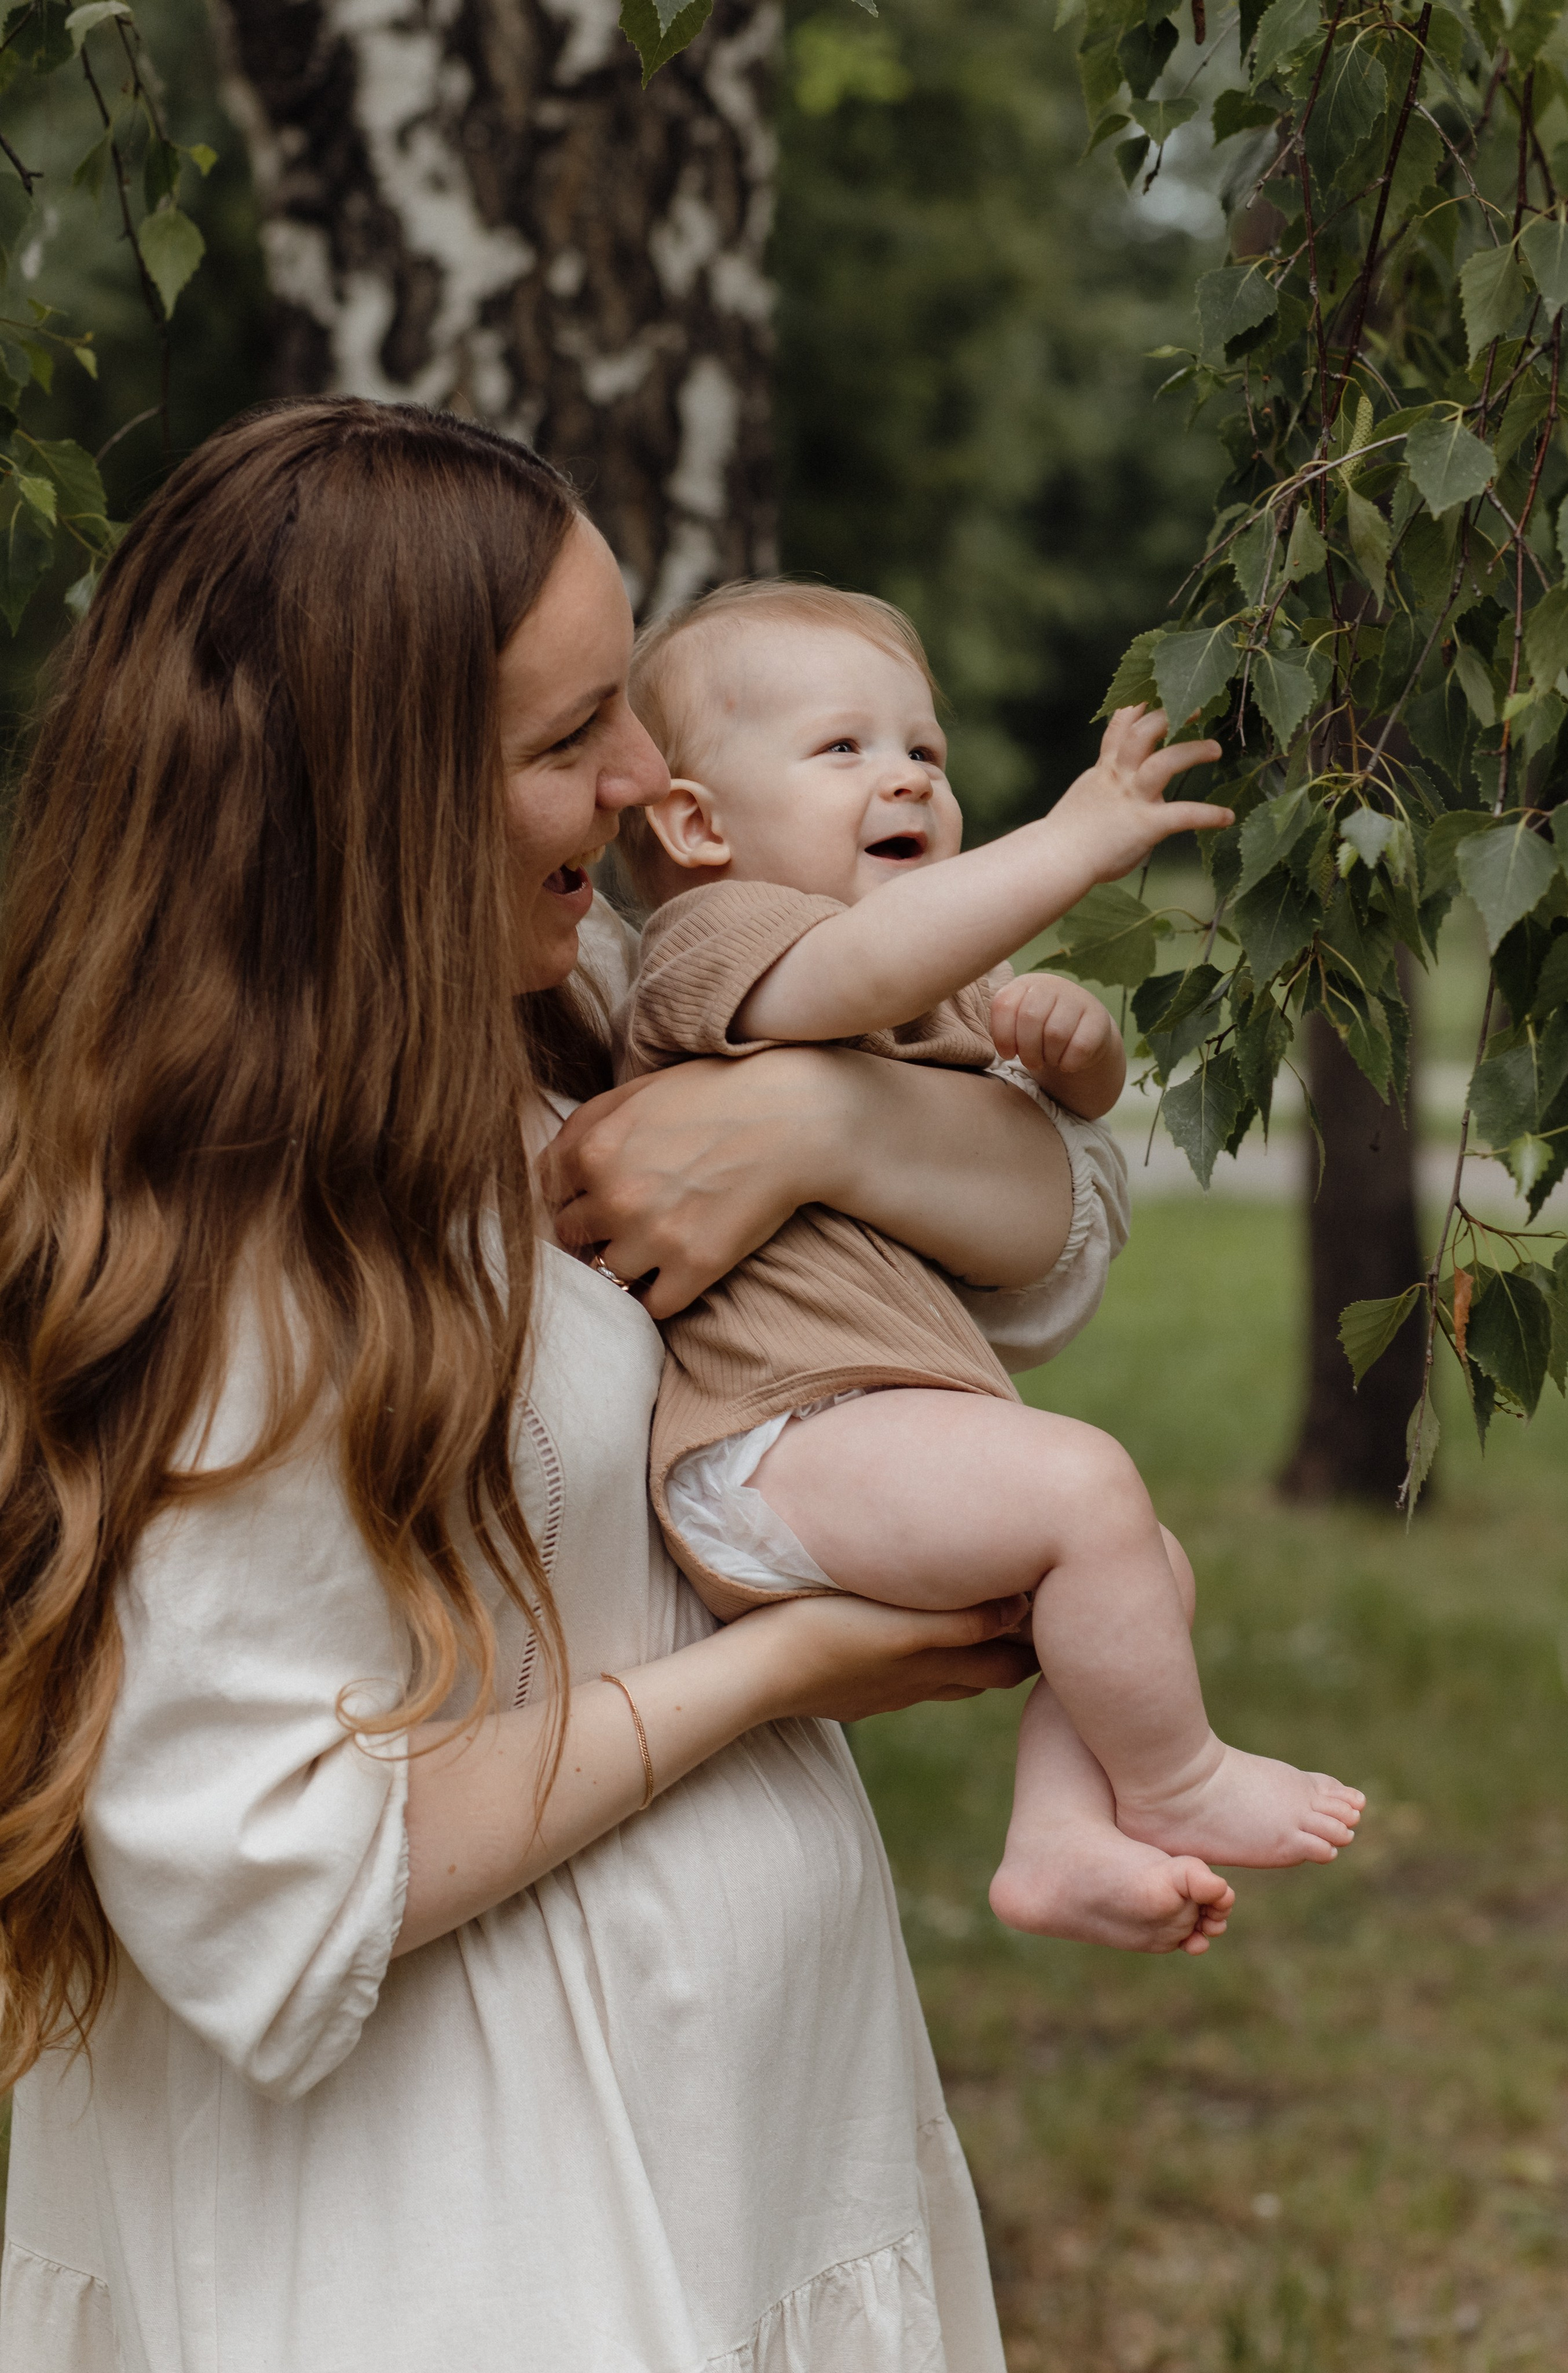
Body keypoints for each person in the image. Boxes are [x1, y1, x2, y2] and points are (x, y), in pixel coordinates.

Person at [0, 399, 1130, 2372]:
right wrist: (783, 1669)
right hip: (461, 2214)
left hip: (735, 2137)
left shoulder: (555, 1005)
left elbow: (1058, 1237)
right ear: (368, 795)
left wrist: (816, 1134)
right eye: (565, 741)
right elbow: (280, 1891)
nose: (640, 783)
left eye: (631, 707)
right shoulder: (227, 1233)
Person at [615, 580, 1365, 1955]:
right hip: (771, 1444)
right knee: (1086, 1490)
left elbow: (1045, 1132)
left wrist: (1070, 1048)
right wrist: (1063, 848)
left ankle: (1061, 1839)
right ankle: (1178, 1777)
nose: (903, 772)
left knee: (1144, 1560)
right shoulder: (711, 943)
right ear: (698, 827)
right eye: (840, 747)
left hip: (866, 1434)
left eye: (923, 751)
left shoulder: (919, 985)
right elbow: (854, 973)